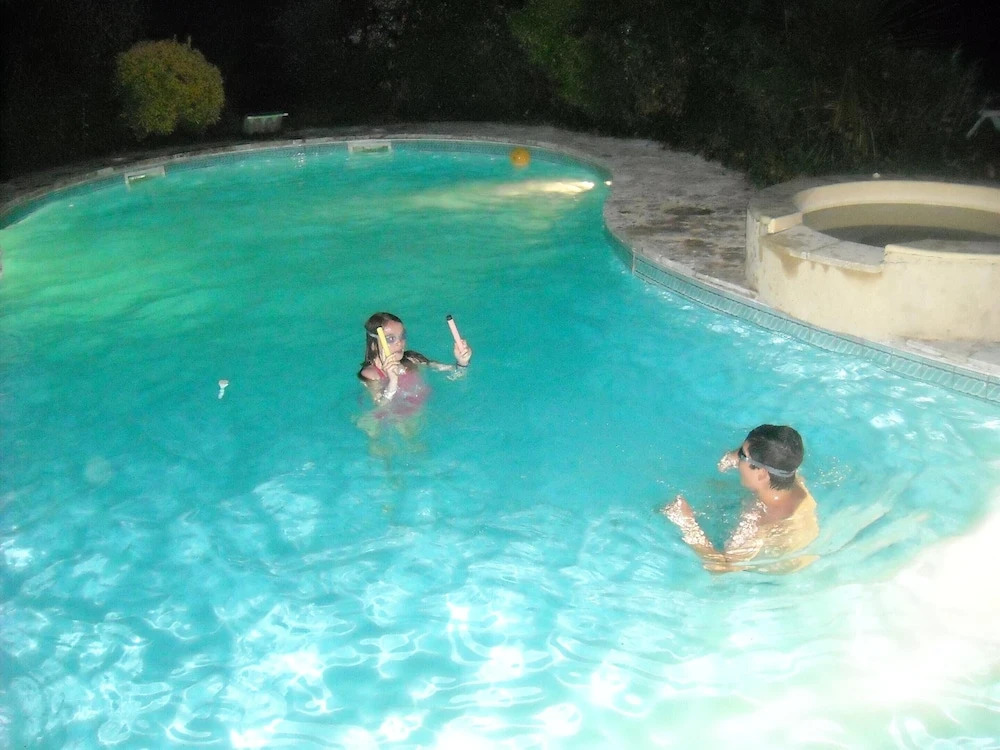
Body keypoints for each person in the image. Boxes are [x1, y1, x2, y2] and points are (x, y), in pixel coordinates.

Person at [661, 424, 819, 574]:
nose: (737, 460)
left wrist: (687, 523)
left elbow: (722, 568)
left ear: (762, 474)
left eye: (742, 456)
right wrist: (734, 457)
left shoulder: (761, 519)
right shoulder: (790, 476)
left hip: (779, 574)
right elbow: (772, 454)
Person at [357, 312, 472, 411]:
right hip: (392, 423)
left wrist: (462, 362)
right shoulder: (371, 374)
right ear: (373, 345)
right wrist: (393, 381)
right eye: (391, 339)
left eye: (402, 336)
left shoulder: (412, 359)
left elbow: (455, 374)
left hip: (418, 415)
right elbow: (380, 406)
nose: (400, 343)